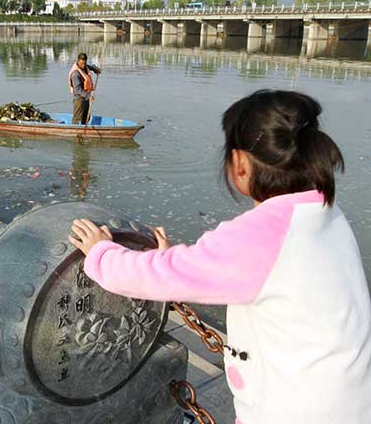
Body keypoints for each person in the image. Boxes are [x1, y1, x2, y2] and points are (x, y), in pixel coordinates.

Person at [69, 90, 371, 424]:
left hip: (294, 410)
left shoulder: (261, 234)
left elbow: (159, 276)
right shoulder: (325, 212)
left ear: (240, 164)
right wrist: (176, 258)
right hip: (351, 400)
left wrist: (101, 253)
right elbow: (254, 273)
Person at [68, 53, 101, 125]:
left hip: (86, 97)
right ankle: (75, 132)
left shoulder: (85, 66)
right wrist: (89, 96)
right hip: (79, 98)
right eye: (81, 64)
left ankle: (84, 130)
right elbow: (77, 89)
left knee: (86, 117)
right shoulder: (75, 74)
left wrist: (96, 70)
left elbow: (89, 67)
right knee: (77, 119)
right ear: (78, 61)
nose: (83, 66)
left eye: (84, 63)